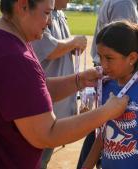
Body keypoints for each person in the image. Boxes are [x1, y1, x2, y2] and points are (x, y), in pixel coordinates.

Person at [0, 0, 129, 168]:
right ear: (23, 6)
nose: (49, 21)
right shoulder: (12, 57)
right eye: (47, 13)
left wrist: (79, 80)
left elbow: (30, 93)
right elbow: (47, 133)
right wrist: (107, 112)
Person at [77, 0, 138, 167]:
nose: (103, 64)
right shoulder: (106, 86)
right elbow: (101, 137)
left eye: (109, 58)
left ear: (132, 58)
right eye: (100, 57)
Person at [31, 0, 87, 167]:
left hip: (60, 99)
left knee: (44, 156)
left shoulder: (59, 13)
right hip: (44, 99)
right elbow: (48, 49)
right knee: (37, 157)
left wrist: (73, 46)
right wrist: (74, 42)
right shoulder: (40, 13)